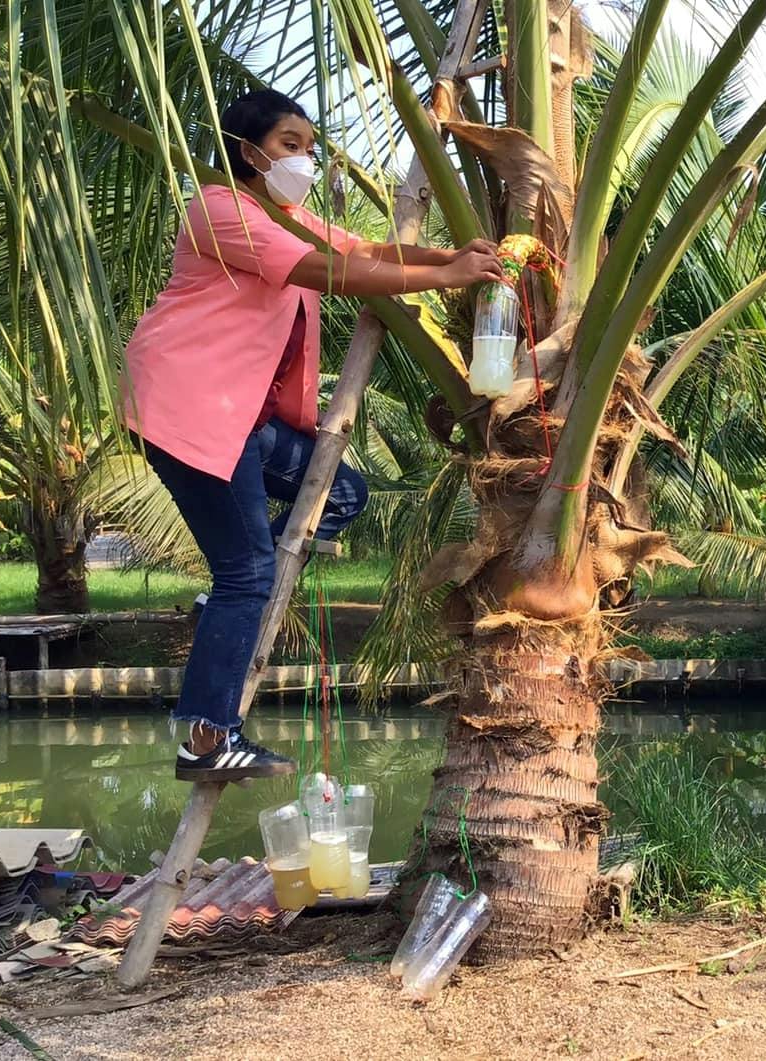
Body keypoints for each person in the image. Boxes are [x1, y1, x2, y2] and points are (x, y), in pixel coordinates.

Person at [124, 89, 505, 784]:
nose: (304, 157)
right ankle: (206, 742)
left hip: (242, 418)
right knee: (246, 574)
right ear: (248, 152)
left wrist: (450, 252)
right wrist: (446, 276)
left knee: (340, 493)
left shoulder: (289, 217)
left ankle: (227, 608)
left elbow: (359, 247)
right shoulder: (220, 211)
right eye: (288, 144)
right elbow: (330, 273)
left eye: (309, 145)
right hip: (192, 408)